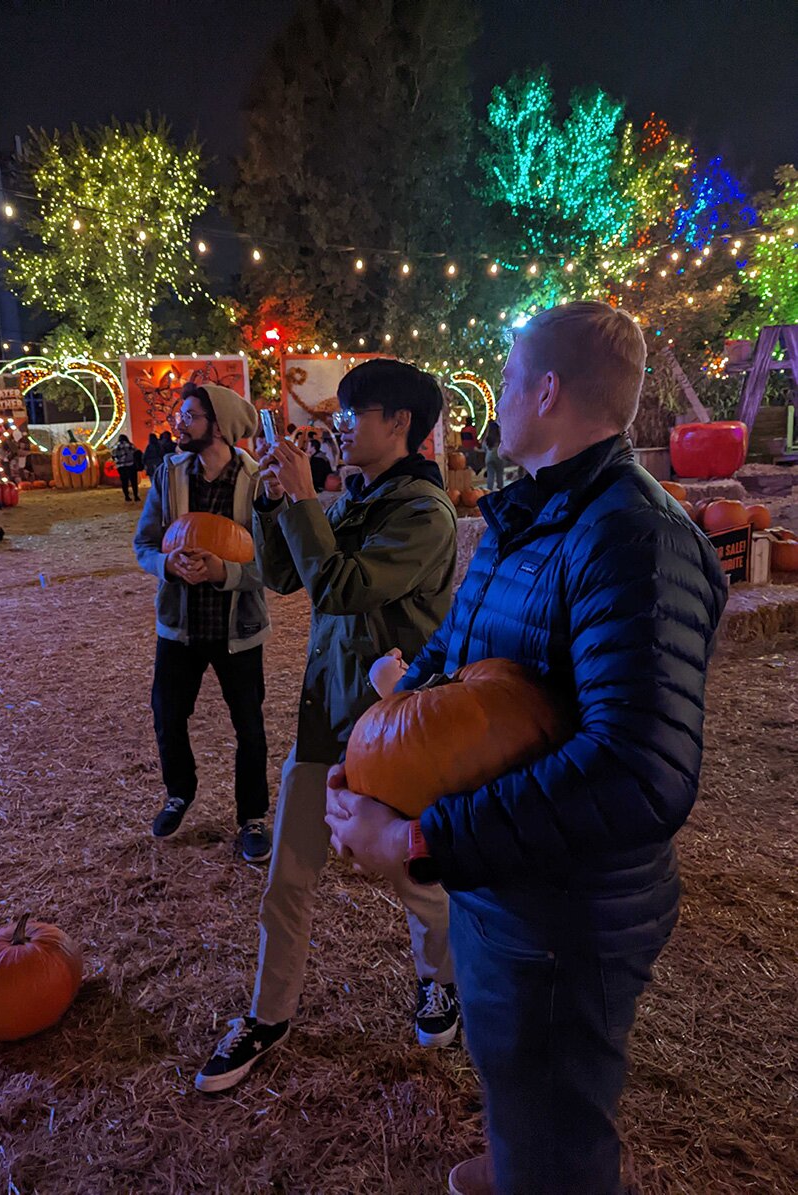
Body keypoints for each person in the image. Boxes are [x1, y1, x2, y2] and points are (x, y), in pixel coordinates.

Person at [325, 303, 728, 1195]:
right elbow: (456, 655)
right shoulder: (534, 517)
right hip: (511, 878)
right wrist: (374, 752)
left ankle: (552, 1169)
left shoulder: (631, 537)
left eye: (506, 377)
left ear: (547, 390)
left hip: (569, 908)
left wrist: (423, 839)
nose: (495, 397)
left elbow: (637, 772)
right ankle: (528, 1156)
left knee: (556, 1099)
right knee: (524, 1077)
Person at [195, 358, 459, 1094]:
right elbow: (286, 577)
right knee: (288, 876)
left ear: (398, 422)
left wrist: (311, 498)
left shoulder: (423, 514)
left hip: (394, 727)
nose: (341, 428)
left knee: (410, 872)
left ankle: (442, 981)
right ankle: (267, 1015)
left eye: (352, 415)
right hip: (326, 714)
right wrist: (278, 502)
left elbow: (341, 588)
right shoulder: (359, 497)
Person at [134, 383, 272, 862]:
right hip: (180, 627)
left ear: (219, 425)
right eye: (181, 414)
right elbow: (144, 545)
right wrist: (166, 566)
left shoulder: (257, 482)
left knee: (249, 727)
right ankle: (179, 791)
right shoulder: (168, 477)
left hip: (238, 629)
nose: (179, 422)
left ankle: (252, 816)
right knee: (168, 715)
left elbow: (272, 565)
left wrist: (224, 572)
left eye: (190, 415)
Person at [112, 434, 140, 502]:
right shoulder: (130, 445)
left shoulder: (115, 446)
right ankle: (136, 496)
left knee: (124, 482)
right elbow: (136, 453)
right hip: (131, 465)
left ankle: (127, 496)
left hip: (121, 467)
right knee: (134, 481)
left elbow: (113, 456)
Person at [482, 419, 507, 491]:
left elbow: (483, 447)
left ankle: (489, 490)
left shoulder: (488, 438)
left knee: (490, 474)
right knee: (499, 473)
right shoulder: (499, 438)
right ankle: (500, 488)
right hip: (499, 456)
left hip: (489, 457)